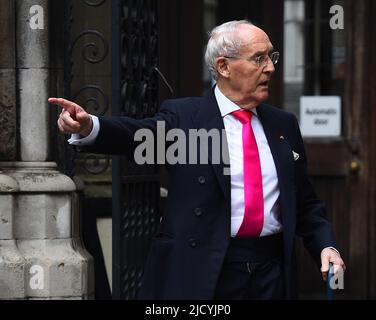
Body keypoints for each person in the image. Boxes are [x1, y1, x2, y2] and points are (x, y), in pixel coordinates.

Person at [49, 20, 345, 300]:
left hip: (272, 273)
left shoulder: (284, 125)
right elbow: (135, 135)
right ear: (224, 67)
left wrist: (326, 245)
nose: (270, 68)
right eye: (258, 58)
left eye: (272, 56)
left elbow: (305, 203)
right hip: (208, 271)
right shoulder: (186, 118)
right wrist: (89, 127)